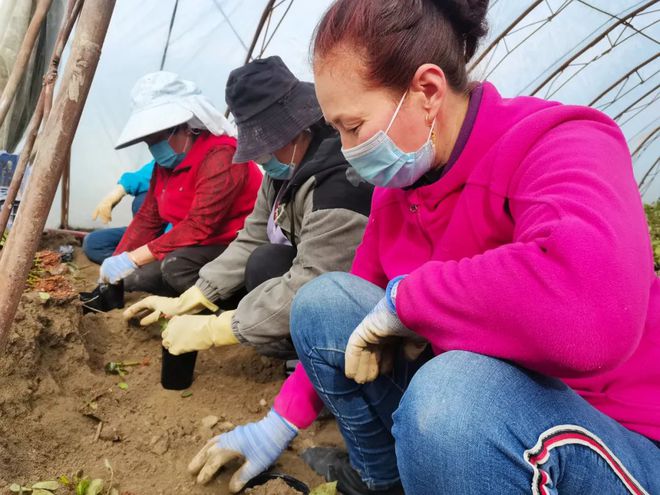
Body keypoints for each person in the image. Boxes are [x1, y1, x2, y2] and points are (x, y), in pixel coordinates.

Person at [285, 0, 660, 494]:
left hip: (613, 433)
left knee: (453, 399)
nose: (348, 148)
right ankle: (388, 484)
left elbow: (592, 311)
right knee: (325, 302)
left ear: (427, 91)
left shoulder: (557, 139)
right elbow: (353, 316)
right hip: (487, 413)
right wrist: (280, 422)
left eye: (353, 127)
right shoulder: (397, 193)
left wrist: (411, 302)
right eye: (336, 130)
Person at [123, 56, 374, 492]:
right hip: (318, 283)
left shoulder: (340, 179)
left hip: (360, 309)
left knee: (301, 293)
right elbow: (252, 236)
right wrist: (196, 295)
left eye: (264, 144)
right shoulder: (285, 170)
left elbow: (311, 282)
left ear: (296, 130)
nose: (259, 156)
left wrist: (221, 327)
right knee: (263, 261)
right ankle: (303, 361)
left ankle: (332, 389)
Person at [97, 71, 262, 296]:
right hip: (193, 247)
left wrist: (134, 258)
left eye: (158, 138)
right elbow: (148, 218)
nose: (154, 147)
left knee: (175, 267)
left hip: (233, 246)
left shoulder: (222, 156)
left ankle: (219, 310)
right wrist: (118, 260)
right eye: (148, 141)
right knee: (136, 280)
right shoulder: (165, 165)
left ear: (186, 127)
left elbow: (199, 225)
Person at [83, 160, 173, 264]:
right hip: (142, 232)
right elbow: (147, 174)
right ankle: (129, 264)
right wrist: (120, 189)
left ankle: (145, 266)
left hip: (171, 238)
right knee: (94, 243)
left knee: (165, 264)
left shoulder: (192, 167)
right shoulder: (165, 163)